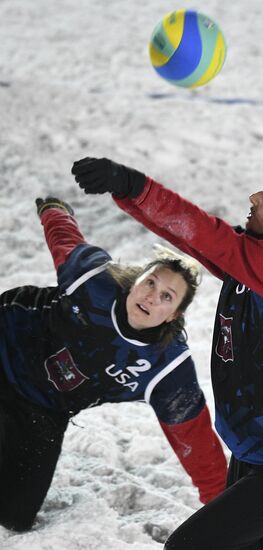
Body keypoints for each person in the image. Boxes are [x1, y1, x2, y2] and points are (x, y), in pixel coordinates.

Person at [72, 157, 263, 550]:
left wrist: (137, 184)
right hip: (257, 452)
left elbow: (209, 234)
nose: (255, 197)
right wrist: (127, 193)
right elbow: (193, 238)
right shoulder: (255, 260)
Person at [0, 196, 228, 532]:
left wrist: (227, 511)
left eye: (166, 296)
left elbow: (197, 443)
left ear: (175, 314)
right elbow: (65, 239)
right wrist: (55, 209)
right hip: (7, 338)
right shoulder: (93, 279)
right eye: (150, 282)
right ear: (136, 279)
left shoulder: (166, 369)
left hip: (43, 408)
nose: (151, 296)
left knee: (14, 517)